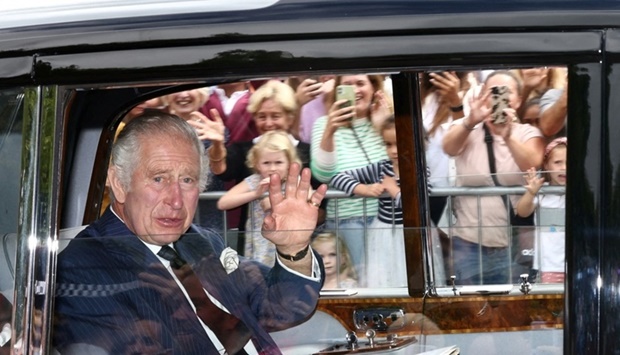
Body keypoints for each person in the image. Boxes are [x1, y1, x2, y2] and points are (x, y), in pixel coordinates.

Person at [53, 112, 327, 355]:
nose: (175, 200)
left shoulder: (201, 241)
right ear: (119, 183)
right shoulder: (79, 267)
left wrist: (294, 249)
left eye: (187, 180)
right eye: (158, 178)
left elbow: (279, 308)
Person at [442, 70, 545, 285]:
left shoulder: (527, 133)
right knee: (469, 309)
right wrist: (470, 120)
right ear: (482, 96)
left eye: (506, 92)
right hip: (467, 241)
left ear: (517, 100)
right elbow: (449, 147)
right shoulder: (466, 127)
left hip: (511, 242)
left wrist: (507, 137)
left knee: (510, 310)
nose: (499, 96)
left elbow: (533, 163)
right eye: (493, 91)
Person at [207, 80, 325, 241]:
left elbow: (319, 205)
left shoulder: (307, 152)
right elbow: (222, 171)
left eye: (275, 116)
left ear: (290, 118)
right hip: (255, 241)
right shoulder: (246, 149)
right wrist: (217, 145)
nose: (268, 123)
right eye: (262, 116)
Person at [310, 74, 392, 285]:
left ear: (374, 88)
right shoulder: (323, 124)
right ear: (338, 91)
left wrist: (383, 125)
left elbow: (398, 167)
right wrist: (331, 130)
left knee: (387, 285)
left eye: (360, 83)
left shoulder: (389, 121)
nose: (355, 90)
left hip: (387, 220)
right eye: (347, 85)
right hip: (347, 223)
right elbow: (323, 175)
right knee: (357, 287)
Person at [330, 117, 406, 287]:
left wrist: (394, 190)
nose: (394, 150)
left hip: (411, 233)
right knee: (383, 278)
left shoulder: (421, 169)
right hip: (383, 233)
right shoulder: (380, 168)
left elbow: (419, 205)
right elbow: (337, 177)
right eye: (388, 144)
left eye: (399, 143)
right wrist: (364, 189)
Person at [217, 130, 307, 266]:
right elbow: (223, 203)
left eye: (278, 162)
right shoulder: (254, 181)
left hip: (288, 241)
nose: (272, 168)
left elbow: (309, 198)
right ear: (257, 164)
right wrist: (255, 194)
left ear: (289, 163)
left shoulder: (294, 181)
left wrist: (281, 200)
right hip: (259, 241)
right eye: (266, 163)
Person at [516, 137, 567, 283]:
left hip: (578, 263)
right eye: (557, 162)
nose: (564, 167)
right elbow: (522, 211)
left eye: (569, 162)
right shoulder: (542, 192)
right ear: (546, 165)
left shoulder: (581, 192)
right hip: (549, 266)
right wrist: (531, 192)